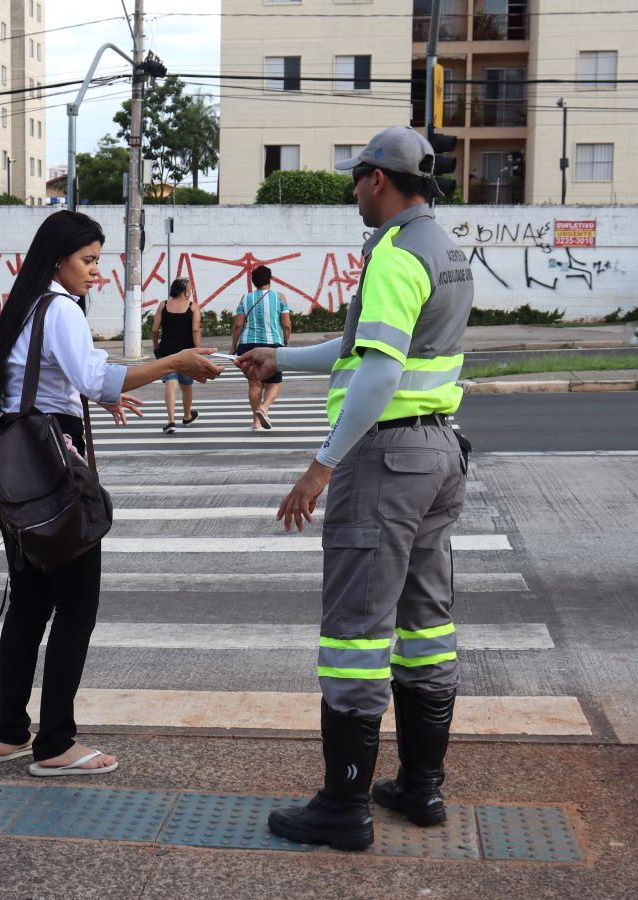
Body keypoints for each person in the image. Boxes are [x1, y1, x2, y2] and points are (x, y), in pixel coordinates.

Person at [237, 125, 474, 851]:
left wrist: (321, 465)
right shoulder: (445, 248)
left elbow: (377, 374)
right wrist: (280, 362)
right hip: (437, 454)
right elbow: (358, 349)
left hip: (386, 460)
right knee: (424, 625)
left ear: (378, 179)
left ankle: (343, 808)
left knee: (355, 638)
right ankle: (421, 787)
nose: (353, 190)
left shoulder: (396, 255)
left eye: (357, 177)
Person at [0, 210, 222, 776]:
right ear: (59, 259)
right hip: (54, 463)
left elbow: (42, 379)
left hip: (19, 459)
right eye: (89, 260)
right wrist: (174, 362)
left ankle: (9, 733)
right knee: (76, 606)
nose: (97, 271)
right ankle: (56, 744)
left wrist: (93, 394)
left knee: (29, 603)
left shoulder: (22, 306)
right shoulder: (60, 307)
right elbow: (91, 375)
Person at [231, 266, 291, 431]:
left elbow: (238, 325)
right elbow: (286, 324)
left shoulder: (245, 298)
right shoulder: (280, 297)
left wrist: (233, 346)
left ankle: (255, 422)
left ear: (253, 281)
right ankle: (264, 408)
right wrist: (286, 342)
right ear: (270, 279)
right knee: (275, 381)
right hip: (272, 345)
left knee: (254, 383)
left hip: (248, 345)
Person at [150, 277, 202, 433]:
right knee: (186, 385)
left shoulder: (163, 305)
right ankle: (186, 416)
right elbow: (195, 330)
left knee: (170, 383)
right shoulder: (193, 307)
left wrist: (155, 345)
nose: (191, 290)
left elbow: (154, 329)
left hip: (166, 349)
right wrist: (198, 350)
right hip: (187, 352)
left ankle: (171, 421)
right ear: (186, 291)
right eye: (190, 288)